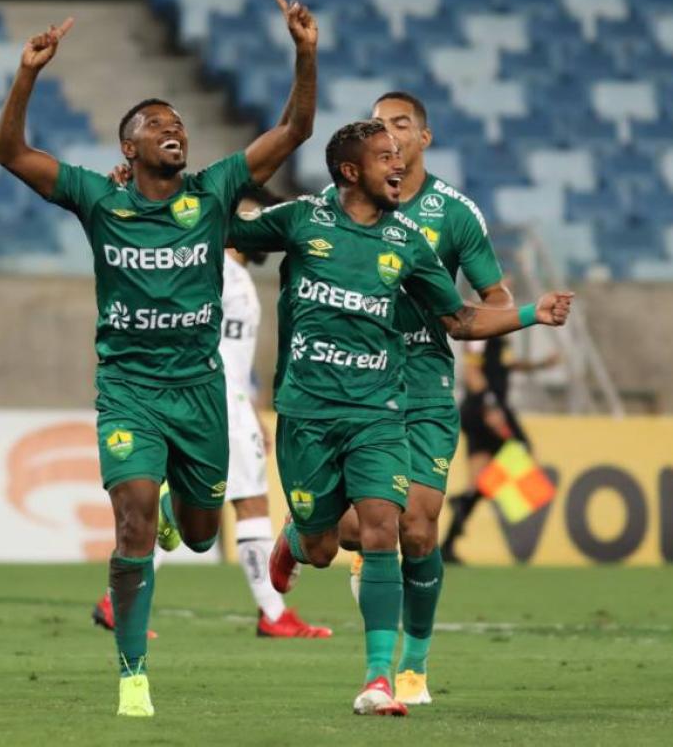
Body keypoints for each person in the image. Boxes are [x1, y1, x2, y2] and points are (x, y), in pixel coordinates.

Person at [0, 0, 318, 717]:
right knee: (132, 521)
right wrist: (27, 74)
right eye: (156, 125)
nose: (174, 130)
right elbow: (8, 153)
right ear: (128, 149)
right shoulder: (99, 199)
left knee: (199, 536)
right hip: (128, 391)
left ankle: (179, 507)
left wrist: (304, 53)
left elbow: (295, 128)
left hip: (200, 393)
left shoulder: (215, 192)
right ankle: (132, 674)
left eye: (178, 124)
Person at [228, 120, 572, 716]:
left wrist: (529, 313)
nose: (397, 164)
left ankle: (382, 678)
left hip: (381, 408)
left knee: (389, 527)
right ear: (350, 171)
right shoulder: (304, 219)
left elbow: (459, 319)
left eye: (399, 152)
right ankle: (298, 538)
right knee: (322, 545)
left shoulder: (409, 240)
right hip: (308, 411)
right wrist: (144, 197)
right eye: (383, 156)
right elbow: (220, 224)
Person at [331, 91, 512, 706]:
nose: (388, 133)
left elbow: (497, 299)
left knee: (419, 528)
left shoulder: (454, 213)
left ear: (424, 139)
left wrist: (475, 335)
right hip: (355, 382)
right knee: (346, 530)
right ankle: (319, 539)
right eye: (378, 124)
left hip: (426, 383)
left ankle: (413, 665)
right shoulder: (343, 201)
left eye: (401, 124)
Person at [91, 193, 332, 640]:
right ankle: (272, 613)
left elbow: (232, 353)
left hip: (230, 400)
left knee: (214, 505)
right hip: (215, 399)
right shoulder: (215, 270)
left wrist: (251, 410)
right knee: (248, 502)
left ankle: (117, 599)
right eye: (253, 214)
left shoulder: (231, 274)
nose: (261, 223)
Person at [442, 334, 561, 563]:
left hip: (485, 410)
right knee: (521, 448)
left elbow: (505, 364)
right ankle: (465, 500)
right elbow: (471, 370)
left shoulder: (501, 334)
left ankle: (449, 541)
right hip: (485, 410)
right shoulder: (480, 331)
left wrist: (540, 365)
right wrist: (491, 406)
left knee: (477, 481)